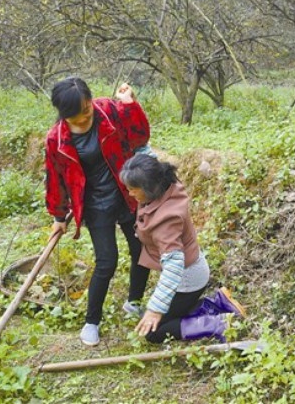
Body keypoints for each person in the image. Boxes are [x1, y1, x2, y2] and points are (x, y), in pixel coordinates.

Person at [45, 77, 151, 346]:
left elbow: (140, 134)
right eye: (76, 114)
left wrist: (129, 105)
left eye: (86, 108)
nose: (84, 117)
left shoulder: (107, 111)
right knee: (107, 261)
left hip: (125, 193)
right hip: (95, 204)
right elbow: (55, 178)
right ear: (63, 114)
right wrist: (59, 217)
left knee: (141, 249)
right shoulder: (57, 140)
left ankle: (134, 303)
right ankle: (92, 321)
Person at [119, 153, 246, 344]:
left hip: (187, 278)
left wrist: (156, 309)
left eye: (133, 189)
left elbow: (173, 266)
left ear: (149, 187)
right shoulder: (165, 188)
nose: (130, 194)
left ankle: (217, 323)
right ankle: (216, 304)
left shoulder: (166, 220)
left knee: (153, 332)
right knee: (161, 315)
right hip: (192, 268)